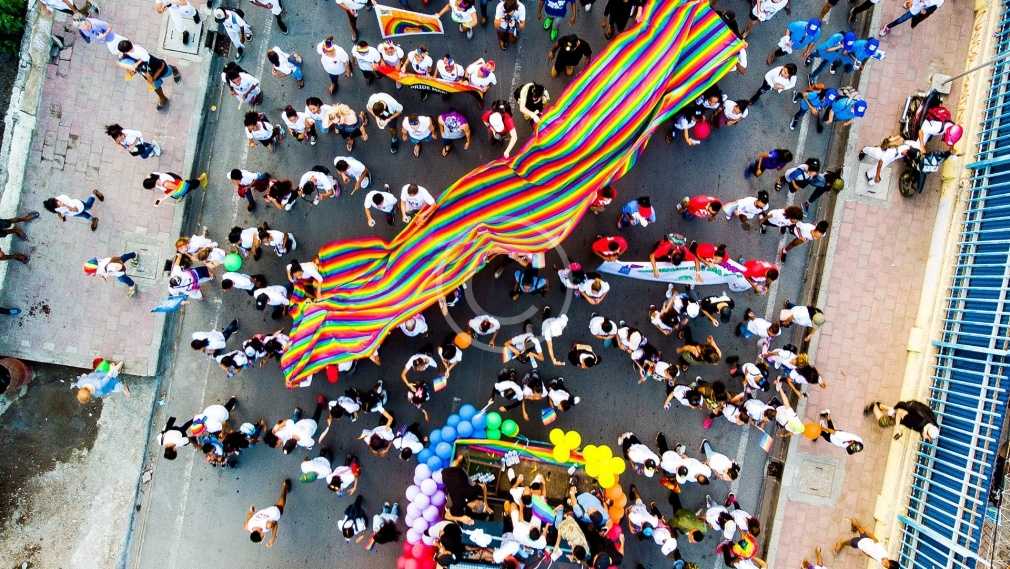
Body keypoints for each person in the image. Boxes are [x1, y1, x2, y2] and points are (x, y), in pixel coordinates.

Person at [116, 39, 180, 109]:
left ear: (126, 51)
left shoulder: (141, 53)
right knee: (156, 86)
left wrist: (153, 78)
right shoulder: (127, 54)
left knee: (167, 72)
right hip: (148, 72)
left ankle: (173, 68)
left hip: (157, 68)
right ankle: (163, 98)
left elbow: (152, 62)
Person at [833, 519, 899, 568]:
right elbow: (876, 540)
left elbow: (872, 556)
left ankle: (854, 525)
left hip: (865, 540)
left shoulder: (881, 560)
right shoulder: (882, 552)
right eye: (886, 564)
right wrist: (870, 535)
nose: (884, 565)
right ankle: (841, 542)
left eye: (885, 567)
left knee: (858, 527)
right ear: (890, 561)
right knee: (849, 543)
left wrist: (866, 554)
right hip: (861, 543)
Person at [863, 400, 940, 441]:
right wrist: (897, 430)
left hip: (911, 407)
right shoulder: (918, 423)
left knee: (893, 413)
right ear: (926, 432)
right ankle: (874, 406)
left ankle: (881, 406)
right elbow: (900, 412)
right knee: (883, 422)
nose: (928, 439)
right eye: (928, 438)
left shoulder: (933, 424)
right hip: (904, 408)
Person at [245, 479, 291, 547]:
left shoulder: (268, 525)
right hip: (266, 512)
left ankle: (285, 487)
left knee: (281, 503)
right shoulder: (248, 526)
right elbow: (248, 517)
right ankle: (284, 489)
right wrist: (251, 511)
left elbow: (275, 524)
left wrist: (273, 538)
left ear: (260, 534)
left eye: (262, 537)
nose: (263, 537)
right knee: (277, 504)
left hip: (275, 512)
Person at [879, 0, 944, 37]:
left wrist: (924, 9)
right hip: (916, 6)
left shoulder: (940, 1)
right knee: (902, 19)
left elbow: (931, 9)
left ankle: (908, 4)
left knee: (909, 16)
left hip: (918, 10)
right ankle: (887, 27)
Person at [144, 171, 209, 207]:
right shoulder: (152, 176)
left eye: (150, 188)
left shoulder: (165, 184)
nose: (151, 189)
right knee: (178, 194)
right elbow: (149, 175)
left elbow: (176, 188)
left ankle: (202, 177)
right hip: (172, 180)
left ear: (152, 185)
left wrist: (162, 199)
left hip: (177, 185)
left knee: (190, 185)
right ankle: (181, 195)